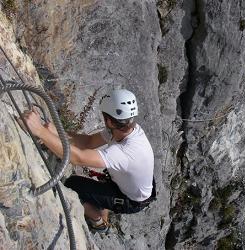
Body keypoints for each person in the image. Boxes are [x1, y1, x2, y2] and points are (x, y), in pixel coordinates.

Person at [23, 89, 155, 233]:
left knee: (72, 184)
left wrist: (40, 131)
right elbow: (89, 141)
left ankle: (98, 222)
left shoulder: (124, 152)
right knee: (91, 186)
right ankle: (102, 203)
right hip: (128, 185)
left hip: (131, 200)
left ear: (108, 121)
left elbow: (78, 158)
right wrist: (55, 132)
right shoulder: (125, 128)